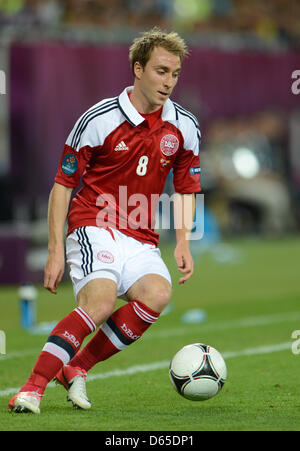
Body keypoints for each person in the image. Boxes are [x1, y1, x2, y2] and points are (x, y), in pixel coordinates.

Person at [8, 27, 201, 414]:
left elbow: (185, 189)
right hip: (94, 222)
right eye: (161, 71)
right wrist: (55, 250)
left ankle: (76, 367)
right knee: (99, 302)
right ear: (138, 68)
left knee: (157, 295)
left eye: (175, 73)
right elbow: (62, 185)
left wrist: (183, 241)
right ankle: (31, 388)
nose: (169, 82)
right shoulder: (99, 119)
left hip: (142, 235)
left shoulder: (184, 126)